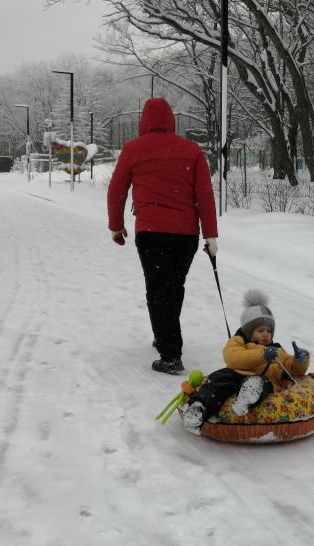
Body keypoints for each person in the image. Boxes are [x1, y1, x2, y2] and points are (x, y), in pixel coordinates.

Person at [107, 98, 218, 375]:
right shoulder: (191, 150)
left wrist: (116, 226)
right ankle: (164, 334)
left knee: (158, 289)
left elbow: (116, 190)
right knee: (173, 286)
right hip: (185, 235)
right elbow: (205, 195)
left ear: (144, 120)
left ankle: (170, 353)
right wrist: (211, 235)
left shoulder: (133, 149)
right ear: (172, 120)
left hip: (151, 232)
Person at [182, 290, 311, 434]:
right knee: (219, 379)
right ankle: (198, 408)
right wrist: (262, 355)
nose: (266, 334)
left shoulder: (278, 350)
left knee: (261, 382)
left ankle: (247, 397)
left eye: (269, 331)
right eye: (260, 330)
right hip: (235, 375)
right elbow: (232, 357)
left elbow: (292, 370)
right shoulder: (239, 341)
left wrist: (301, 360)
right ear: (249, 332)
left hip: (262, 380)